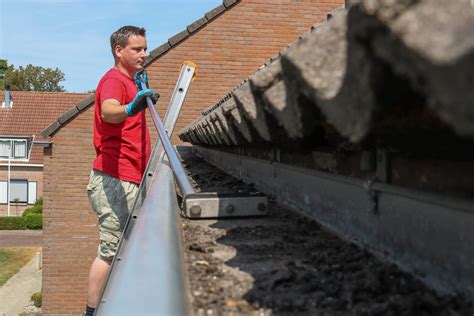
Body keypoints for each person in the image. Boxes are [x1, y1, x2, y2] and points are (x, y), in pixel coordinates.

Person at [84, 25, 158, 316]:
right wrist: (130, 108)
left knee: (125, 250)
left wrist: (136, 94)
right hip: (115, 179)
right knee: (110, 251)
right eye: (136, 49)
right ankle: (91, 313)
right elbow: (108, 111)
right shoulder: (114, 80)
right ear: (119, 50)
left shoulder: (130, 80)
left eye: (144, 48)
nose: (144, 54)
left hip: (129, 177)